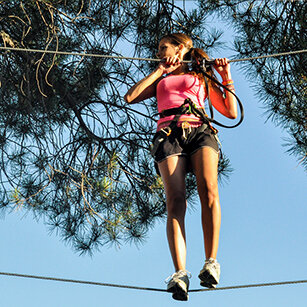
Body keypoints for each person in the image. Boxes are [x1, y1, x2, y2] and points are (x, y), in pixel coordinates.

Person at [124, 33, 237, 301]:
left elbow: (231, 112)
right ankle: (179, 273)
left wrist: (225, 75)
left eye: (164, 48)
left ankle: (211, 262)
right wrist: (159, 70)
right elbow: (130, 97)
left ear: (182, 48)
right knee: (175, 202)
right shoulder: (162, 78)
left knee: (209, 190)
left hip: (200, 131)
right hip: (168, 134)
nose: (160, 52)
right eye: (159, 49)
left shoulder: (201, 75)